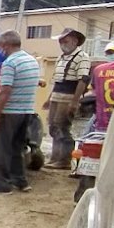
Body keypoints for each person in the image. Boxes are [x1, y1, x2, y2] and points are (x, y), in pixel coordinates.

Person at [0, 30, 41, 194]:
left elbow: (5, 91)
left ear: (6, 46)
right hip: (26, 111)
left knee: (2, 148)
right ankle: (20, 181)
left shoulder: (10, 63)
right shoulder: (32, 61)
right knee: (17, 148)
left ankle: (2, 184)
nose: (0, 49)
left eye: (1, 46)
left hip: (10, 113)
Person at [44, 28, 91, 169]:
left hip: (68, 97)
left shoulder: (82, 57)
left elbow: (83, 80)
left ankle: (64, 159)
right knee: (53, 126)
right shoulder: (61, 57)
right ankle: (55, 156)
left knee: (62, 127)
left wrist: (75, 101)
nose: (62, 43)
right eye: (61, 41)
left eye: (65, 40)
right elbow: (57, 80)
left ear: (75, 41)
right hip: (57, 95)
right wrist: (49, 98)